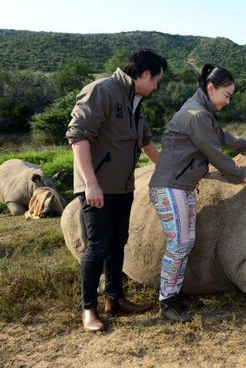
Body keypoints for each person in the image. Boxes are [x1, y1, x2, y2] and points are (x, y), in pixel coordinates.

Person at [148, 64, 246, 322]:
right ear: (211, 88)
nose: (228, 101)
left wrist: (244, 144)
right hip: (170, 187)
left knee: (186, 242)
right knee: (178, 244)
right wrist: (241, 174)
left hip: (182, 186)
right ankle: (167, 302)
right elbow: (214, 151)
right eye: (227, 94)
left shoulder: (202, 111)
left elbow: (221, 136)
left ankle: (175, 293)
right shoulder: (198, 115)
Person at [66, 49, 168, 332]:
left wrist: (164, 169)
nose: (156, 86)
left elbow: (145, 140)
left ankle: (115, 299)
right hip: (97, 186)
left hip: (123, 186)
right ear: (145, 74)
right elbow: (78, 136)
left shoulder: (135, 101)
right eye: (156, 80)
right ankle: (89, 310)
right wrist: (91, 183)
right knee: (97, 246)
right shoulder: (102, 91)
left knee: (117, 242)